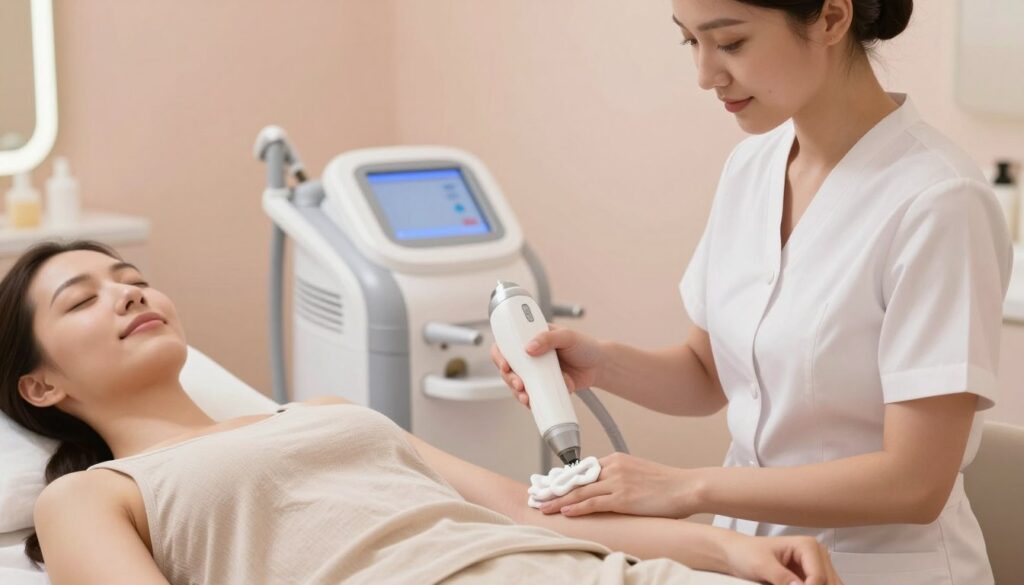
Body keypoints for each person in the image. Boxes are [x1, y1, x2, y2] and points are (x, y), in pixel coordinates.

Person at [492, 1, 1011, 583]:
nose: (705, 74)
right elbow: (706, 373)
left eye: (731, 43)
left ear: (832, 18)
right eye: (690, 42)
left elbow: (915, 483)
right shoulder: (752, 167)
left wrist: (683, 487)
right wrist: (597, 363)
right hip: (744, 563)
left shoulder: (939, 201)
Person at [0, 240, 843, 585]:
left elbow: (524, 507)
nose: (128, 292)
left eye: (131, 278)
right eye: (83, 299)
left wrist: (737, 548)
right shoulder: (88, 496)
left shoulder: (323, 412)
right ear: (40, 385)